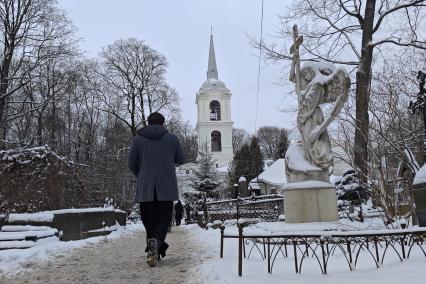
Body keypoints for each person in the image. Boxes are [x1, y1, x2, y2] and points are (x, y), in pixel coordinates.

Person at [128, 112, 185, 267]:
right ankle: (157, 243)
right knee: (164, 218)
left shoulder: (138, 139)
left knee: (149, 220)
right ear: (162, 123)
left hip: (146, 187)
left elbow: (131, 163)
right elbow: (181, 159)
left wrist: (142, 174)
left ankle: (152, 251)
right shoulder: (172, 139)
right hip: (166, 187)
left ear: (149, 122)